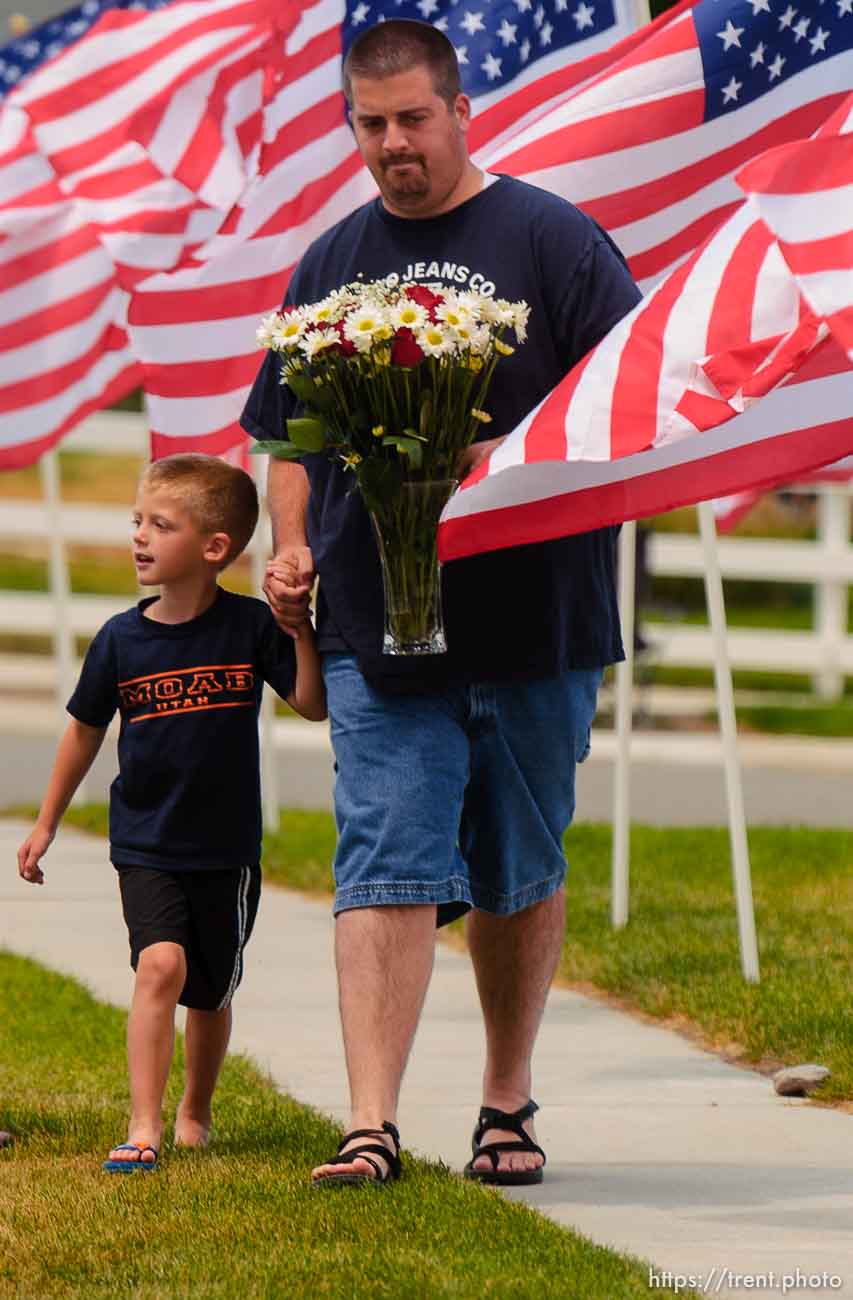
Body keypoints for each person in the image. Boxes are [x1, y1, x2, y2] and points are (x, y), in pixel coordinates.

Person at [241, 19, 642, 1188]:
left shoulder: (551, 239)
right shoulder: (333, 262)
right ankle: (371, 1123)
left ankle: (505, 1101)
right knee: (384, 854)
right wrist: (294, 546)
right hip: (377, 620)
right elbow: (286, 436)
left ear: (461, 109)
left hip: (534, 617)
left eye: (413, 118)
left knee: (519, 861)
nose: (393, 145)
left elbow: (627, 403)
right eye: (370, 124)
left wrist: (500, 459)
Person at [17, 454, 326, 1173]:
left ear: (215, 547)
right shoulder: (122, 640)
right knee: (160, 965)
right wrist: (46, 822)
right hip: (146, 842)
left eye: (161, 525)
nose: (140, 538)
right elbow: (85, 730)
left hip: (226, 851)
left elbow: (312, 704)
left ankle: (196, 1111)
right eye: (137, 522)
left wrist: (299, 629)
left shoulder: (250, 628)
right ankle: (143, 1124)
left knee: (209, 992)